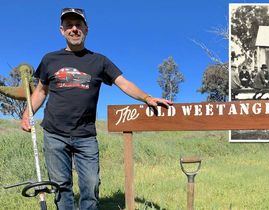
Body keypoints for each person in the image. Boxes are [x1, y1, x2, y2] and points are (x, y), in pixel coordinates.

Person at [20, 8, 172, 210]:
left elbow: (123, 83)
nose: (74, 29)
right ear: (61, 30)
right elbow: (40, 91)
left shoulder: (99, 61)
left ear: (86, 29)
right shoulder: (50, 59)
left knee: (91, 184)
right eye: (69, 25)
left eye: (78, 25)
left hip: (86, 135)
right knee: (61, 186)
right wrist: (27, 114)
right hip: (54, 133)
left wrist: (147, 97)